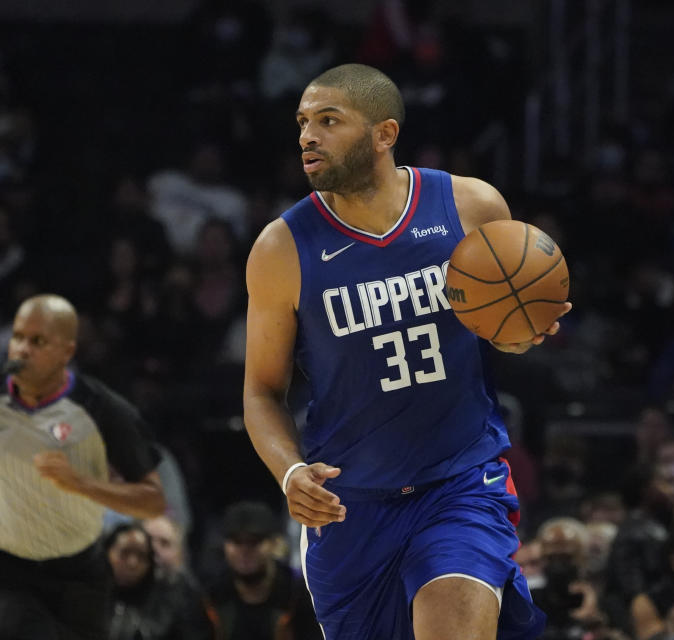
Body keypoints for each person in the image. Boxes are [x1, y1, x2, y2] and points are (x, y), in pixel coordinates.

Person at [242, 63, 570, 640]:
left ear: (384, 134)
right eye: (302, 123)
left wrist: (522, 330)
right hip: (350, 506)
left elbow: (503, 326)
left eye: (328, 121)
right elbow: (263, 391)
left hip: (459, 484)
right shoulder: (281, 248)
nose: (306, 137)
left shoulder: (470, 206)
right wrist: (290, 471)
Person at [0, 294, 166, 640]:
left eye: (37, 341)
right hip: (6, 568)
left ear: (67, 352)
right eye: (17, 337)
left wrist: (81, 483)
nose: (21, 349)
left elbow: (152, 500)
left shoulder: (102, 409)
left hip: (81, 571)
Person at [207, 501, 319, 640]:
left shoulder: (298, 592)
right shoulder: (212, 594)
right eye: (237, 542)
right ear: (225, 546)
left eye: (254, 542)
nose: (244, 551)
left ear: (274, 544)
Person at [105, 522, 214, 640]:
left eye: (164, 543)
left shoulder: (190, 597)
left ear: (180, 554)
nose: (154, 549)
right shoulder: (112, 587)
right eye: (149, 540)